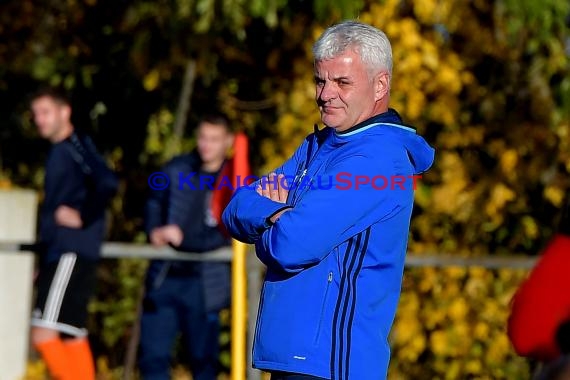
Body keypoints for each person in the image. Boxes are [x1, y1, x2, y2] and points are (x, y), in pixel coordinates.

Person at [222, 20, 435, 380]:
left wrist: (276, 221)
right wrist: (277, 213)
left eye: (342, 82)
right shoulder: (318, 146)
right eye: (321, 80)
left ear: (380, 84)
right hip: (291, 357)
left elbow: (291, 244)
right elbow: (236, 207)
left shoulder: (376, 160)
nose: (325, 93)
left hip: (332, 363)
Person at [29, 87, 118, 380]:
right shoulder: (59, 151)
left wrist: (84, 216)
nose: (39, 119)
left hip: (71, 251)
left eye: (45, 112)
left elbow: (107, 182)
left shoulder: (75, 145)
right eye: (36, 114)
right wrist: (42, 260)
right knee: (72, 333)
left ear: (64, 111)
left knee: (43, 334)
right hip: (60, 252)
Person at [138, 114, 235, 380]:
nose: (206, 145)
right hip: (165, 276)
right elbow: (153, 202)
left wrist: (184, 241)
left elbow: (229, 232)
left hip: (205, 284)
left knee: (204, 363)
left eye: (214, 139)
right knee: (152, 359)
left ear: (227, 141)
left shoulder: (236, 179)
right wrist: (154, 231)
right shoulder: (176, 168)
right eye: (203, 137)